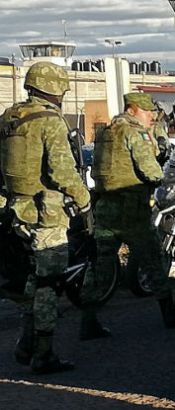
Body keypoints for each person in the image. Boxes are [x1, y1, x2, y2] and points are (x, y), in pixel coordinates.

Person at [0, 62, 91, 374]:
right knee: (47, 284)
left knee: (31, 280)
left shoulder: (10, 116)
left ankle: (26, 344)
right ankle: (43, 353)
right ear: (56, 89)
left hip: (15, 210)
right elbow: (61, 170)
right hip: (46, 213)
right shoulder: (50, 120)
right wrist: (85, 200)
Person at [80, 92, 175, 339]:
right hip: (131, 210)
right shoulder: (135, 133)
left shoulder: (106, 132)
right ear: (132, 110)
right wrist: (159, 168)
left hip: (105, 207)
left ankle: (88, 320)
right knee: (153, 258)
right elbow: (152, 173)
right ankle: (169, 311)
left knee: (102, 265)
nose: (151, 116)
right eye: (147, 111)